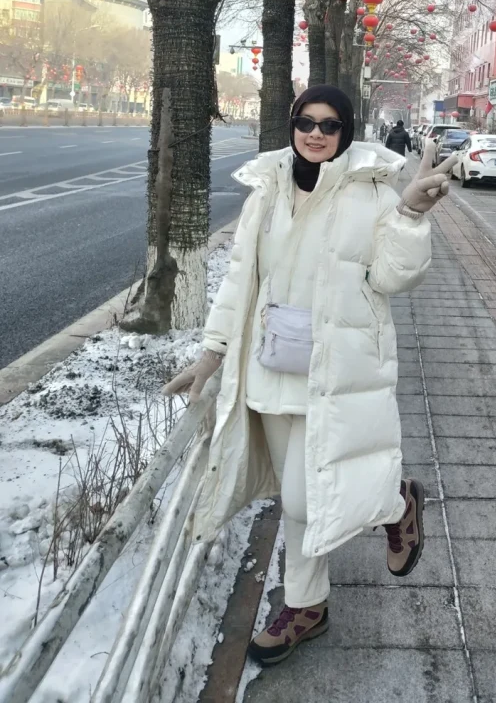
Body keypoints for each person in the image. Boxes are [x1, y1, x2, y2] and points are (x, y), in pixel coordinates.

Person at [163, 85, 457, 665]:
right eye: (306, 122)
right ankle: (307, 605)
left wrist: (409, 214)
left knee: (301, 499)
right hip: (270, 364)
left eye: (329, 125)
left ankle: (396, 504)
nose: (316, 134)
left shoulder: (372, 192)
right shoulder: (268, 189)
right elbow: (240, 278)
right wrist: (212, 353)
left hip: (335, 370)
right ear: (292, 125)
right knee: (299, 497)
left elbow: (394, 278)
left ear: (346, 131)